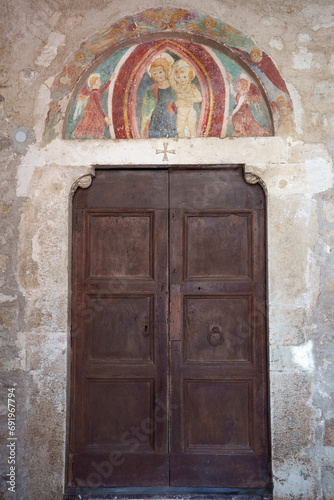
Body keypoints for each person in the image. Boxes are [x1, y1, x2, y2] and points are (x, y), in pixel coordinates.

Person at [141, 56, 177, 138]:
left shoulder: (175, 86)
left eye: (160, 72)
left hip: (172, 119)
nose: (158, 75)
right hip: (156, 121)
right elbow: (146, 110)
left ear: (166, 71)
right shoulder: (151, 89)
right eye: (155, 73)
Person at [73, 73, 114, 139]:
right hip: (93, 111)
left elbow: (104, 88)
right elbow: (98, 105)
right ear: (94, 82)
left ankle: (97, 137)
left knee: (94, 125)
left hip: (95, 111)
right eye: (98, 81)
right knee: (92, 125)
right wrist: (105, 117)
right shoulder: (94, 93)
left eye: (100, 81)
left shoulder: (97, 92)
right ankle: (96, 137)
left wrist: (110, 80)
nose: (100, 82)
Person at [169, 59, 202, 138]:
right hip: (181, 112)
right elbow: (171, 80)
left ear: (189, 77)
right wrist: (173, 69)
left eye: (184, 77)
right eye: (179, 77)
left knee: (192, 129)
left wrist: (189, 98)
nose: (182, 79)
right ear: (176, 78)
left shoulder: (192, 87)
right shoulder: (178, 87)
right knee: (180, 129)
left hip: (190, 111)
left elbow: (199, 98)